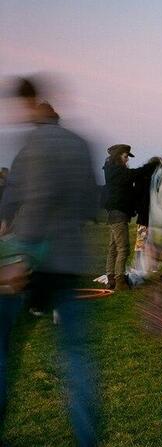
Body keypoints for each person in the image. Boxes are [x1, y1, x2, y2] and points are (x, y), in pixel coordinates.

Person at [0, 77, 100, 446]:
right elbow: (92, 204)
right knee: (76, 356)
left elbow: (30, 200)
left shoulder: (32, 143)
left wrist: (18, 255)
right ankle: (88, 438)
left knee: (3, 351)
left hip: (31, 262)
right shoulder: (80, 144)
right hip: (71, 261)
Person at [101, 144, 160, 290]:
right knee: (123, 248)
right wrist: (152, 164)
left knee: (113, 247)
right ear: (117, 156)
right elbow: (135, 174)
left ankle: (111, 279)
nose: (127, 160)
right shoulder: (116, 171)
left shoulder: (113, 170)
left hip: (116, 213)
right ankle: (120, 281)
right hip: (118, 213)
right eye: (125, 156)